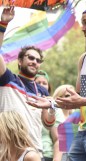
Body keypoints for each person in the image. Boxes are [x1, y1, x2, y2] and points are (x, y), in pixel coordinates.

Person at [27, 2, 86, 161]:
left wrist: (82, 100)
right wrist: (53, 103)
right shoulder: (83, 58)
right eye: (81, 23)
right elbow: (78, 98)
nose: (82, 27)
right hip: (82, 132)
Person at [0, 7, 56, 160]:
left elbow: (48, 124)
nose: (34, 62)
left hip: (34, 152)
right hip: (8, 152)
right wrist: (3, 23)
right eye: (30, 58)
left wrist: (51, 108)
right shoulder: (8, 79)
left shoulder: (43, 92)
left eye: (38, 60)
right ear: (19, 61)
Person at [35, 70, 63, 161]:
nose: (41, 85)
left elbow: (58, 139)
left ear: (48, 87)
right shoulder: (24, 103)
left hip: (47, 155)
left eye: (44, 83)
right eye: (38, 82)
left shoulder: (54, 107)